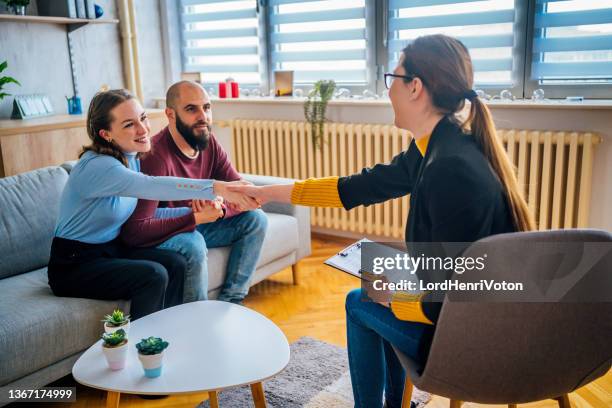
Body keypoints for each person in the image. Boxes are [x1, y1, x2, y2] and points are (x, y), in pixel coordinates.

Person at [229, 34, 535, 408]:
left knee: (360, 303)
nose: (388, 91)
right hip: (477, 317)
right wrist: (266, 193)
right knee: (378, 288)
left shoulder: (449, 169)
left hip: (470, 341)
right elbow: (356, 187)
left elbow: (458, 299)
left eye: (393, 78)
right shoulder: (440, 146)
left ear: (416, 87)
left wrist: (396, 298)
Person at [48, 89, 256, 320]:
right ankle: (146, 345)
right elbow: (153, 185)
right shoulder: (99, 166)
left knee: (176, 263)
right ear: (106, 134)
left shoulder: (130, 158)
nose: (143, 129)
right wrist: (217, 187)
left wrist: (196, 211)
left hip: (111, 250)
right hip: (73, 264)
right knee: (153, 275)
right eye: (129, 124)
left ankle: (177, 328)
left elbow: (153, 211)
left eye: (143, 118)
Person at [120, 81, 268, 304]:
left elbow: (239, 189)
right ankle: (197, 317)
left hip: (197, 222)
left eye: (206, 107)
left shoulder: (208, 141)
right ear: (170, 114)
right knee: (193, 243)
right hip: (165, 231)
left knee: (256, 220)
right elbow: (140, 228)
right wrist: (199, 214)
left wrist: (217, 205)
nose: (203, 116)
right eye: (191, 109)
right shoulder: (155, 156)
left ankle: (231, 302)